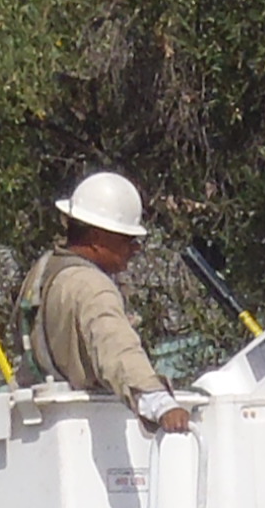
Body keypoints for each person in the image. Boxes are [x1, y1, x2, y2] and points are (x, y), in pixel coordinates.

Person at [19, 169, 178, 415]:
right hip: (86, 421)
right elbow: (115, 344)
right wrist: (156, 399)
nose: (135, 248)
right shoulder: (91, 286)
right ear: (96, 237)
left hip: (42, 418)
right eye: (126, 239)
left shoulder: (41, 272)